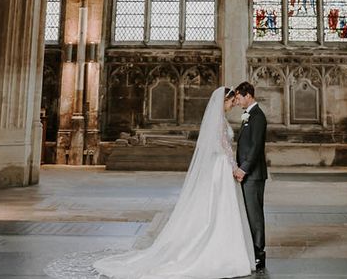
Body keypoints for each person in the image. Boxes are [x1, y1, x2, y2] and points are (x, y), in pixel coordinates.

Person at [92, 87, 255, 279]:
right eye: (230, 102)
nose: (232, 105)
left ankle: (225, 248)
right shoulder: (219, 121)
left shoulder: (219, 119)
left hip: (219, 166)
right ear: (223, 101)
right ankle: (221, 251)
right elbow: (224, 146)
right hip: (220, 167)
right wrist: (234, 166)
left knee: (219, 207)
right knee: (219, 207)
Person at [234, 81, 268, 271]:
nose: (238, 102)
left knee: (255, 215)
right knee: (249, 213)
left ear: (249, 96)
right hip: (249, 174)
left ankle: (259, 254)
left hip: (253, 174)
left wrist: (244, 168)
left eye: (239, 98)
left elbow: (256, 147)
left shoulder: (258, 117)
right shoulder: (250, 115)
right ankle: (253, 250)